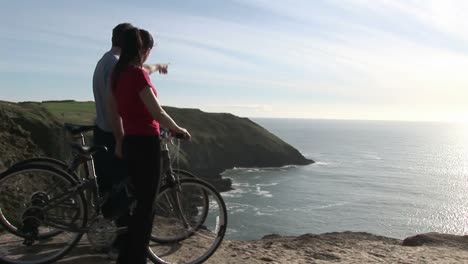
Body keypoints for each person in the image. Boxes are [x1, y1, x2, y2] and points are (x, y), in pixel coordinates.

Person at [108, 27, 190, 264]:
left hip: (130, 142)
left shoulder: (118, 74)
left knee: (135, 204)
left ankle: (126, 255)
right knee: (146, 207)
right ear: (142, 50)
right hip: (146, 144)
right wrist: (179, 130)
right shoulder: (137, 75)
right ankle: (135, 259)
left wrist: (119, 140)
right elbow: (157, 111)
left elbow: (114, 113)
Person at [91, 23, 168, 258]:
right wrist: (120, 139)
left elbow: (140, 71)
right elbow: (116, 105)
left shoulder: (107, 60)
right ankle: (121, 247)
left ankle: (118, 244)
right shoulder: (117, 66)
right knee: (125, 196)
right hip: (115, 134)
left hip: (103, 131)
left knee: (114, 190)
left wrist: (157, 67)